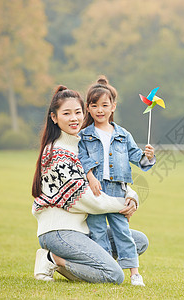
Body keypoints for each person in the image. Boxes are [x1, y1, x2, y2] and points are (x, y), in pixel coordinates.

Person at [32, 85, 148, 284]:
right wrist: (123, 206)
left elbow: (106, 177)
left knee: (138, 241)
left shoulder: (82, 144)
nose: (74, 118)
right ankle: (53, 259)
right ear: (54, 117)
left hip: (83, 229)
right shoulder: (57, 152)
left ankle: (85, 266)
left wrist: (131, 196)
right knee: (114, 276)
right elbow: (86, 199)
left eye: (77, 112)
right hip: (60, 231)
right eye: (66, 113)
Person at [78, 76, 155, 286]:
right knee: (98, 231)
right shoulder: (84, 135)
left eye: (104, 105)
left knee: (122, 232)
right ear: (88, 108)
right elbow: (82, 159)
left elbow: (140, 161)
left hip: (117, 191)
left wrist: (148, 156)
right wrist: (91, 177)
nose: (100, 110)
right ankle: (105, 269)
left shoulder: (123, 135)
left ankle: (134, 273)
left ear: (113, 106)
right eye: (94, 106)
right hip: (94, 191)